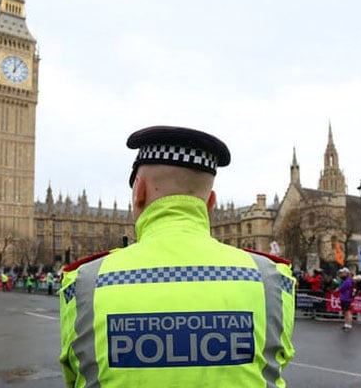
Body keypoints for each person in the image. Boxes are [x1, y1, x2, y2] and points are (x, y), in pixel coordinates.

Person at [58, 126, 296, 387]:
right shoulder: (272, 280)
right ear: (210, 202)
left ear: (139, 192)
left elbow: (75, 376)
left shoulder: (83, 283)